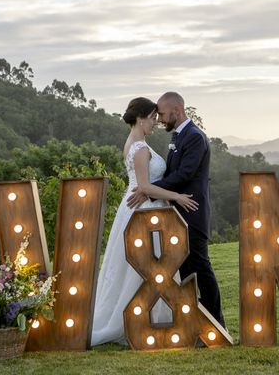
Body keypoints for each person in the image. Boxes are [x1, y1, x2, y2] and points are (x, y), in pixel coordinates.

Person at [90, 97, 198, 346]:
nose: (155, 123)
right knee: (149, 267)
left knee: (145, 269)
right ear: (140, 119)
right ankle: (141, 320)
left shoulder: (134, 144)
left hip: (141, 207)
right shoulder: (139, 148)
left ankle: (151, 317)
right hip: (144, 210)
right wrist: (177, 197)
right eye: (152, 118)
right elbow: (145, 186)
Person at [127, 92, 225, 328]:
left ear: (177, 111)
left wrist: (147, 190)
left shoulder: (194, 137)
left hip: (192, 214)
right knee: (184, 272)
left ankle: (216, 323)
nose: (159, 119)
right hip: (177, 213)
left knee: (201, 269)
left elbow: (184, 175)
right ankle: (193, 322)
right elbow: (172, 174)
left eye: (162, 113)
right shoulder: (179, 137)